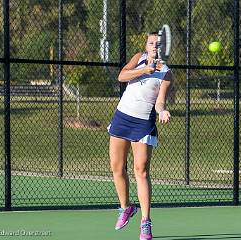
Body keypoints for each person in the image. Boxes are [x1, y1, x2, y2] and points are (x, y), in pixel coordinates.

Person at [107, 32, 173, 240]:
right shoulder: (138, 58)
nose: (154, 46)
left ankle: (146, 222)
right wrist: (144, 69)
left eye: (158, 43)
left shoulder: (166, 73)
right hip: (122, 117)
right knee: (117, 168)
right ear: (146, 45)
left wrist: (162, 111)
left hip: (143, 123)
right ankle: (126, 208)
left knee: (141, 170)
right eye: (151, 42)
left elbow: (159, 101)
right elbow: (122, 76)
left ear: (163, 48)